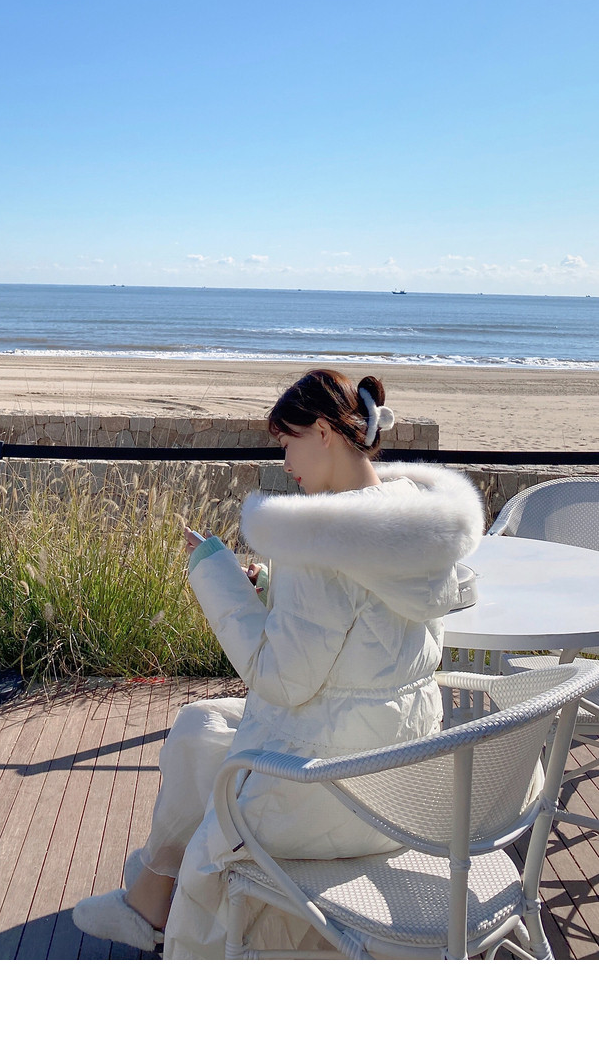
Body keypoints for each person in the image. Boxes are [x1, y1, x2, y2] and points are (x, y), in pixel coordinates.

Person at [72, 369, 484, 957]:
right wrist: (272, 587)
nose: (285, 461)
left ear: (324, 431)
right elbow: (358, 627)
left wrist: (214, 575)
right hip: (399, 777)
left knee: (201, 738)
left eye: (288, 441)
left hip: (325, 792)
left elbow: (279, 680)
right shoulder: (412, 522)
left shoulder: (317, 537)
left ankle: (154, 906)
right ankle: (149, 898)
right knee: (200, 728)